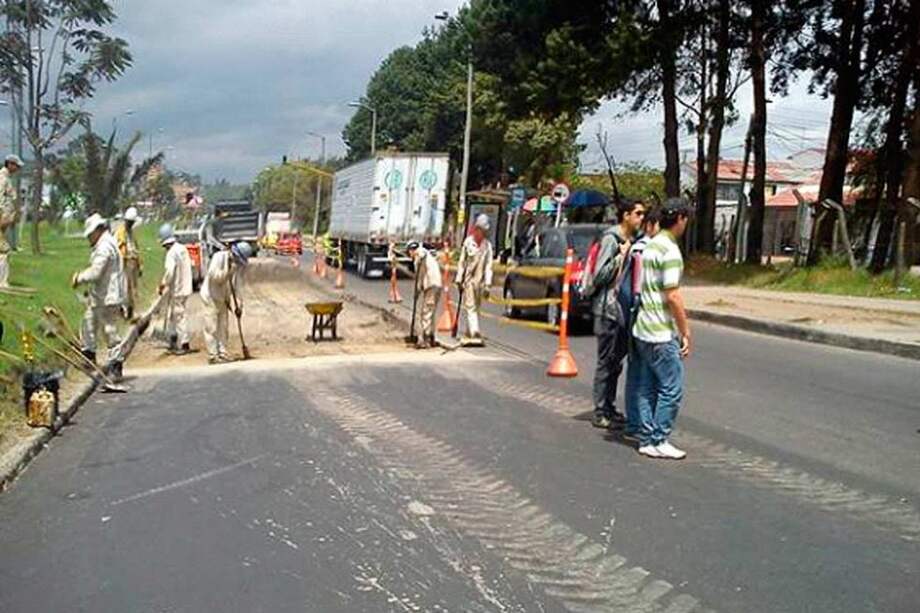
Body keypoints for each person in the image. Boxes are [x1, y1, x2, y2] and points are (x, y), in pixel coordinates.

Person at [631, 199, 692, 460]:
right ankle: (659, 438)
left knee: (647, 386)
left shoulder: (651, 245)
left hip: (643, 327)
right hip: (661, 331)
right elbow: (673, 296)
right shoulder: (670, 251)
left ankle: (646, 439)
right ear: (680, 218)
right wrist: (685, 330)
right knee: (671, 387)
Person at [588, 199, 646, 430]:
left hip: (623, 310)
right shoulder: (611, 239)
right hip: (607, 310)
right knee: (606, 362)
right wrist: (621, 257)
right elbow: (599, 275)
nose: (641, 218)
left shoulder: (635, 240)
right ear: (626, 215)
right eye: (638, 213)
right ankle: (600, 410)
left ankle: (610, 407)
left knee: (615, 363)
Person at [72, 213, 126, 381]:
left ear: (97, 230)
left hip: (109, 296)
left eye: (90, 234)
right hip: (101, 295)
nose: (89, 238)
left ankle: (116, 365)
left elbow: (96, 272)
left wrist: (79, 278)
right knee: (88, 322)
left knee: (110, 331)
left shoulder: (104, 247)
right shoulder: (106, 243)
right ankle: (89, 356)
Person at [622, 209, 661, 440]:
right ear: (651, 225)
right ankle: (637, 423)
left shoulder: (639, 248)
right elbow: (636, 289)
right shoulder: (643, 250)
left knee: (638, 369)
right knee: (641, 370)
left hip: (637, 313)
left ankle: (636, 421)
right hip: (640, 314)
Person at [200, 241, 251, 364]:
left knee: (223, 327)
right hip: (211, 296)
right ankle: (213, 355)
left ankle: (223, 353)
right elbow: (214, 278)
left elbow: (238, 286)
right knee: (211, 327)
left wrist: (239, 305)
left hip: (223, 298)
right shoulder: (218, 257)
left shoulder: (237, 266)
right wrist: (228, 272)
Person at [455, 214, 494, 345]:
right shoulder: (468, 243)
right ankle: (475, 331)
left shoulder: (487, 246)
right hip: (469, 280)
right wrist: (459, 279)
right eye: (482, 230)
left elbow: (488, 266)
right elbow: (462, 262)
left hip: (480, 282)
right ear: (476, 229)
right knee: (470, 306)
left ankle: (469, 332)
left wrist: (488, 284)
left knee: (476, 307)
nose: (483, 233)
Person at [158, 224, 194, 355]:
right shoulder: (182, 248)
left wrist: (163, 284)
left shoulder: (171, 253)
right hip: (186, 287)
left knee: (179, 316)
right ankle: (173, 338)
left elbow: (169, 271)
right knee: (175, 314)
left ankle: (184, 343)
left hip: (177, 289)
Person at [407, 240, 442, 349]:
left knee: (426, 312)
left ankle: (425, 340)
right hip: (437, 284)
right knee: (431, 311)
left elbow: (419, 277)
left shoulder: (419, 255)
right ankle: (431, 336)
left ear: (411, 250)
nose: (410, 255)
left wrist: (417, 291)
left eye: (409, 252)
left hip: (431, 285)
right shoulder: (427, 254)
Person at [0, 154, 24, 288]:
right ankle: (2, 282)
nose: (17, 169)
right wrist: (2, 216)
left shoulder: (7, 178)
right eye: (16, 166)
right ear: (9, 164)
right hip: (2, 217)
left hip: (5, 218)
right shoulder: (2, 178)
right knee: (4, 250)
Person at [115, 206, 142, 319]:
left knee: (133, 288)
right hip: (125, 262)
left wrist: (140, 264)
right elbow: (120, 249)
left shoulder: (131, 232)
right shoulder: (121, 232)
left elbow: (135, 248)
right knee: (126, 287)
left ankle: (132, 310)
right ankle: (125, 310)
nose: (131, 224)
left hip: (133, 261)